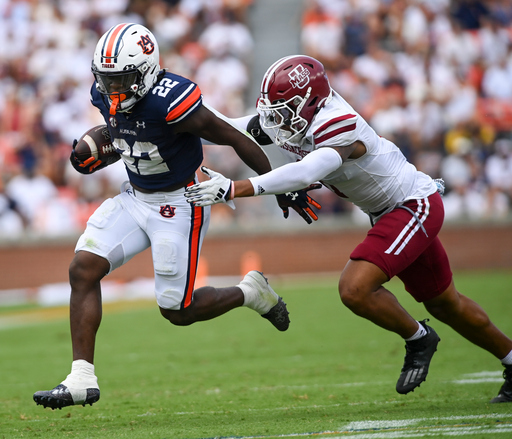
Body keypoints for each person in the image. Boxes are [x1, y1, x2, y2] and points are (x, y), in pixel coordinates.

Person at [185, 55, 512, 403]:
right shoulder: (296, 116)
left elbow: (308, 171)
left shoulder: (337, 122)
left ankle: (419, 338)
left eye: (283, 109)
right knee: (447, 305)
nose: (275, 119)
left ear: (310, 101)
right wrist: (177, 112)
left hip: (412, 206)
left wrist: (235, 188)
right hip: (391, 212)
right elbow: (228, 128)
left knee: (354, 288)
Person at [33, 25, 320, 410]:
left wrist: (277, 185)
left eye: (121, 80)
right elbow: (125, 129)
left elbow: (236, 138)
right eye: (107, 80)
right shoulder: (105, 94)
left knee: (178, 312)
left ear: (147, 71)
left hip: (179, 202)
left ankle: (251, 293)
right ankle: (81, 378)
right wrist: (102, 144)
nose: (112, 89)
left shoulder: (173, 103)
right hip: (135, 198)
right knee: (82, 268)